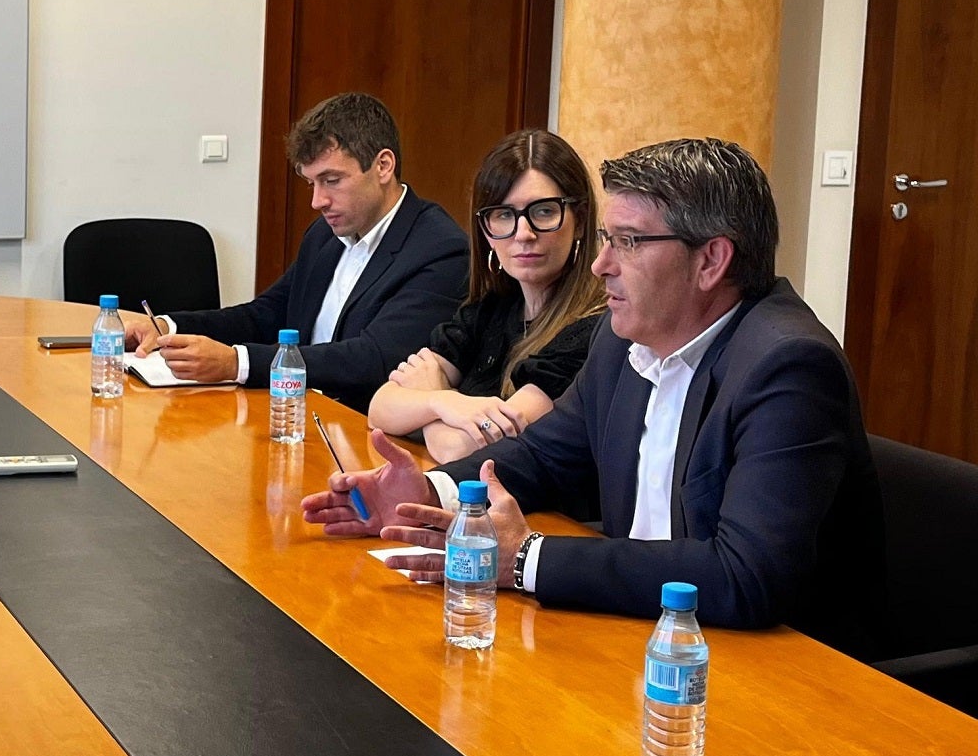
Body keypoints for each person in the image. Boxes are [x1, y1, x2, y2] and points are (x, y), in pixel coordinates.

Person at [303, 137, 884, 654]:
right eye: (607, 239)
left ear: (711, 260)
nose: (602, 265)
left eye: (628, 242)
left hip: (776, 672)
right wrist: (431, 493)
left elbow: (745, 575)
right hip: (636, 632)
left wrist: (527, 558)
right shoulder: (623, 338)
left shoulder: (787, 367)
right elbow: (546, 455)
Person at [123, 92, 466, 411]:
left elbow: (374, 358)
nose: (318, 201)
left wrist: (237, 363)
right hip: (295, 413)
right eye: (311, 183)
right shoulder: (326, 233)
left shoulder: (440, 250)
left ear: (383, 166)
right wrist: (168, 326)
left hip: (365, 432)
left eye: (332, 180)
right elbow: (268, 313)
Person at [368, 130, 606, 463]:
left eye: (544, 212)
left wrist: (432, 392)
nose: (523, 234)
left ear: (579, 221)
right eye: (504, 215)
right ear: (486, 232)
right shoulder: (492, 309)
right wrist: (445, 404)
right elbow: (380, 408)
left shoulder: (593, 329)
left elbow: (460, 450)